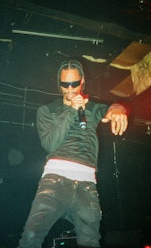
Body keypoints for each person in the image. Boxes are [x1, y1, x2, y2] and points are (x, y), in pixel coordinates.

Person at [17, 59, 128, 248]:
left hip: (87, 186)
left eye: (74, 84)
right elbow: (50, 144)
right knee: (31, 238)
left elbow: (112, 108)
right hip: (55, 182)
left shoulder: (92, 108)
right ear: (59, 85)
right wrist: (71, 110)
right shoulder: (47, 110)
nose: (70, 89)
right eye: (65, 84)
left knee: (91, 242)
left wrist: (119, 109)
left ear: (82, 81)